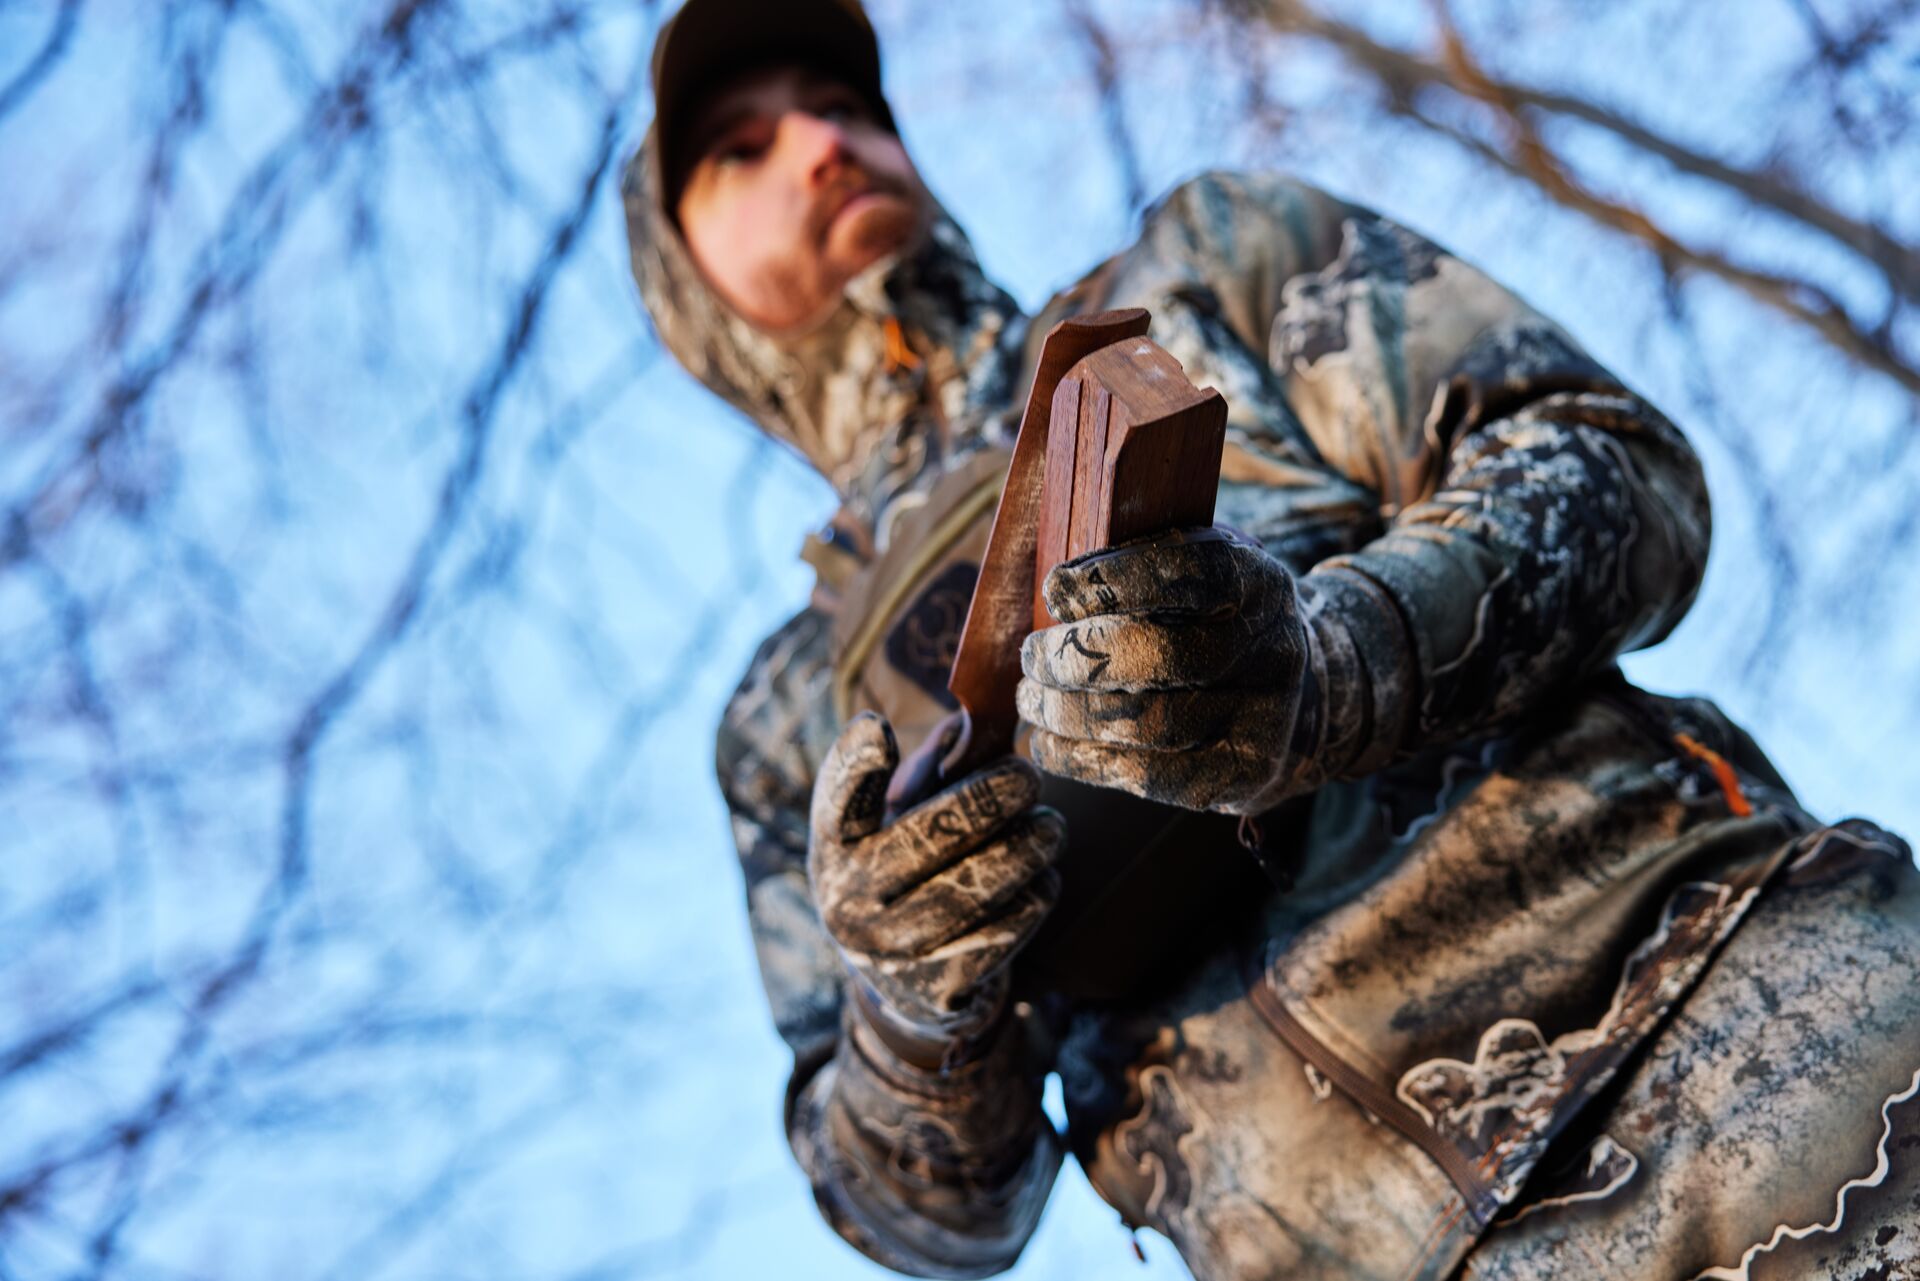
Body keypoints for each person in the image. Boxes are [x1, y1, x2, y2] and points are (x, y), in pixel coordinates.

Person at [622, 2, 1920, 1277]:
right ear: (684, 291)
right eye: (741, 149)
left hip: (1770, 1050)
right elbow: (929, 1222)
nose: (821, 145)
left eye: (844, 108)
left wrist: (1332, 662)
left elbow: (1617, 472)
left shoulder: (1197, 274)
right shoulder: (785, 726)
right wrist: (913, 1013)